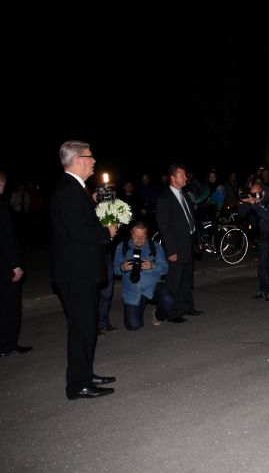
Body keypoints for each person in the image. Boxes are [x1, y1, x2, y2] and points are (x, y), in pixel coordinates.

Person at [49, 141, 117, 399]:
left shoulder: (75, 188)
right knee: (81, 329)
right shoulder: (68, 190)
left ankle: (85, 374)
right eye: (90, 157)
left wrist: (95, 202)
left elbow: (80, 220)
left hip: (79, 272)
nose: (94, 161)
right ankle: (78, 384)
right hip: (76, 273)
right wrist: (106, 232)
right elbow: (77, 231)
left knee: (87, 327)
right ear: (78, 160)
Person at [156, 164, 204, 320]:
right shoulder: (164, 198)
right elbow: (164, 227)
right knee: (174, 280)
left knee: (187, 279)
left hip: (189, 243)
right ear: (173, 178)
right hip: (176, 246)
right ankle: (173, 312)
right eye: (182, 175)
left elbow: (192, 219)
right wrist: (171, 250)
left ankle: (187, 307)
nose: (185, 178)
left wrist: (197, 240)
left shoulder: (184, 195)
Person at [113, 222, 179, 329]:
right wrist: (122, 267)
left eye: (143, 237)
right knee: (133, 326)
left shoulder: (155, 246)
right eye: (136, 236)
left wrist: (153, 265)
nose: (139, 240)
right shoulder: (122, 247)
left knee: (169, 300)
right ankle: (136, 311)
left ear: (147, 234)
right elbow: (115, 270)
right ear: (131, 233)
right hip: (133, 291)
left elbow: (165, 269)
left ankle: (158, 315)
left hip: (152, 287)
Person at [0, 171, 32, 357]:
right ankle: (7, 344)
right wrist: (15, 266)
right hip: (5, 266)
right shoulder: (1, 207)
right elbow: (6, 238)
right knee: (9, 306)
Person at [240, 181, 269, 301]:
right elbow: (242, 214)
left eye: (256, 194)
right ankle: (264, 290)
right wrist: (242, 202)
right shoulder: (254, 201)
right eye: (252, 194)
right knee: (262, 265)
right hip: (262, 234)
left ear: (262, 193)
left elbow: (267, 216)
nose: (254, 197)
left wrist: (254, 204)